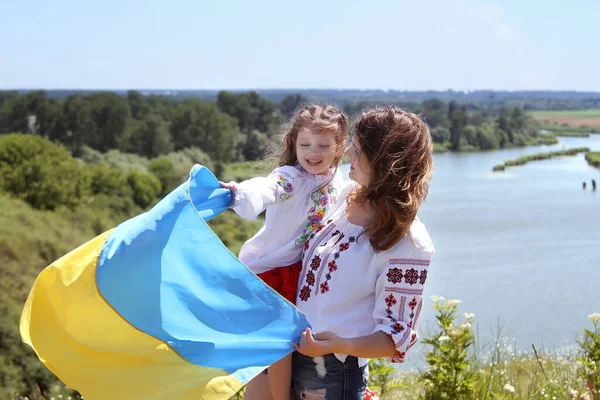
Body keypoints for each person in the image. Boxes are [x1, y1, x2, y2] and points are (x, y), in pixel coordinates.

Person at [292, 106, 435, 400]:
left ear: (384, 162)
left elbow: (396, 336)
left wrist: (340, 345)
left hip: (333, 372)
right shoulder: (345, 196)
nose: (347, 156)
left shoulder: (408, 242)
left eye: (357, 151)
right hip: (294, 356)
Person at [220, 104, 348, 400]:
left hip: (299, 268)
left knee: (282, 346)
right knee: (281, 342)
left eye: (323, 145)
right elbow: (268, 188)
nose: (312, 152)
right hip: (271, 270)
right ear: (293, 143)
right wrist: (241, 194)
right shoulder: (291, 178)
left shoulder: (335, 179)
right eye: (305, 144)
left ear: (339, 147)